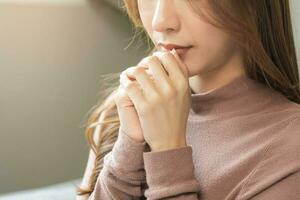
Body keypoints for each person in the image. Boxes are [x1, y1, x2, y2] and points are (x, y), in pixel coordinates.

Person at [76, 0, 300, 199]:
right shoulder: (119, 114)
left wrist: (168, 151)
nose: (161, 21)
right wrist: (125, 155)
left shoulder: (290, 150)